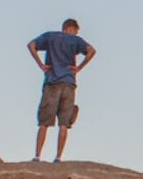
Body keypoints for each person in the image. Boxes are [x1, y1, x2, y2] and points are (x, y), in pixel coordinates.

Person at [25, 18, 96, 162]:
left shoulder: (50, 36)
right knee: (64, 123)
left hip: (52, 82)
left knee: (44, 122)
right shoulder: (75, 41)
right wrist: (79, 68)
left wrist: (41, 65)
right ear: (72, 29)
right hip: (69, 84)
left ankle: (37, 155)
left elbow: (31, 45)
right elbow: (91, 51)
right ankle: (58, 157)